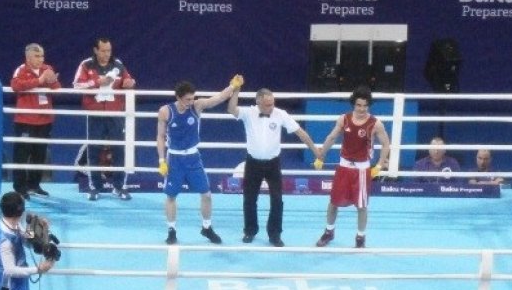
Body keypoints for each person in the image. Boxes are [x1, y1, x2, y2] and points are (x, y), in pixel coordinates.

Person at [227, 86, 321, 247]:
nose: (271, 107)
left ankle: (275, 234)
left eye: (272, 104)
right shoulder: (248, 113)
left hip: (273, 163)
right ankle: (250, 230)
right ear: (258, 102)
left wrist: (316, 151)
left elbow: (300, 133)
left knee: (277, 200)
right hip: (253, 163)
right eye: (267, 105)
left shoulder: (280, 114)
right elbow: (231, 109)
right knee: (249, 199)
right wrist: (236, 90)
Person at [156, 76, 242, 245]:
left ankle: (207, 227)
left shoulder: (197, 106)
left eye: (192, 97)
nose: (191, 101)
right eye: (187, 99)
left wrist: (232, 86)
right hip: (174, 158)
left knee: (207, 194)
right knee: (171, 196)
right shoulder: (165, 111)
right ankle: (171, 230)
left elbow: (218, 98)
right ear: (178, 97)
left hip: (193, 158)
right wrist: (161, 160)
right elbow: (160, 136)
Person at [313, 86, 391, 249]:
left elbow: (385, 144)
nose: (362, 109)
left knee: (362, 206)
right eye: (358, 105)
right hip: (344, 167)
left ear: (369, 105)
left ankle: (360, 237)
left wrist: (379, 165)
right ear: (353, 104)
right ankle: (329, 232)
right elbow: (332, 136)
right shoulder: (344, 119)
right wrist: (320, 156)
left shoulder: (375, 123)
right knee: (333, 202)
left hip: (362, 170)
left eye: (365, 105)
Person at [73, 38, 136, 201]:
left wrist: (129, 83)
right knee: (94, 149)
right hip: (95, 114)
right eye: (103, 50)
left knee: (118, 149)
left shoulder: (118, 64)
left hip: (115, 114)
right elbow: (77, 85)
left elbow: (127, 80)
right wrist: (96, 82)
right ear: (95, 50)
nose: (107, 54)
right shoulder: (86, 65)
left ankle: (119, 186)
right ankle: (95, 187)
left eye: (109, 50)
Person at [10, 43, 60, 200]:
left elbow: (57, 88)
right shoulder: (21, 70)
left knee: (40, 154)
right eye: (37, 56)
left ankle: (34, 185)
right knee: (22, 155)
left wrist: (51, 81)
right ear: (28, 57)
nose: (40, 59)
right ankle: (19, 187)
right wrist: (39, 81)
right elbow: (15, 86)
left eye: (42, 56)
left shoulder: (48, 68)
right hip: (26, 120)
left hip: (44, 120)